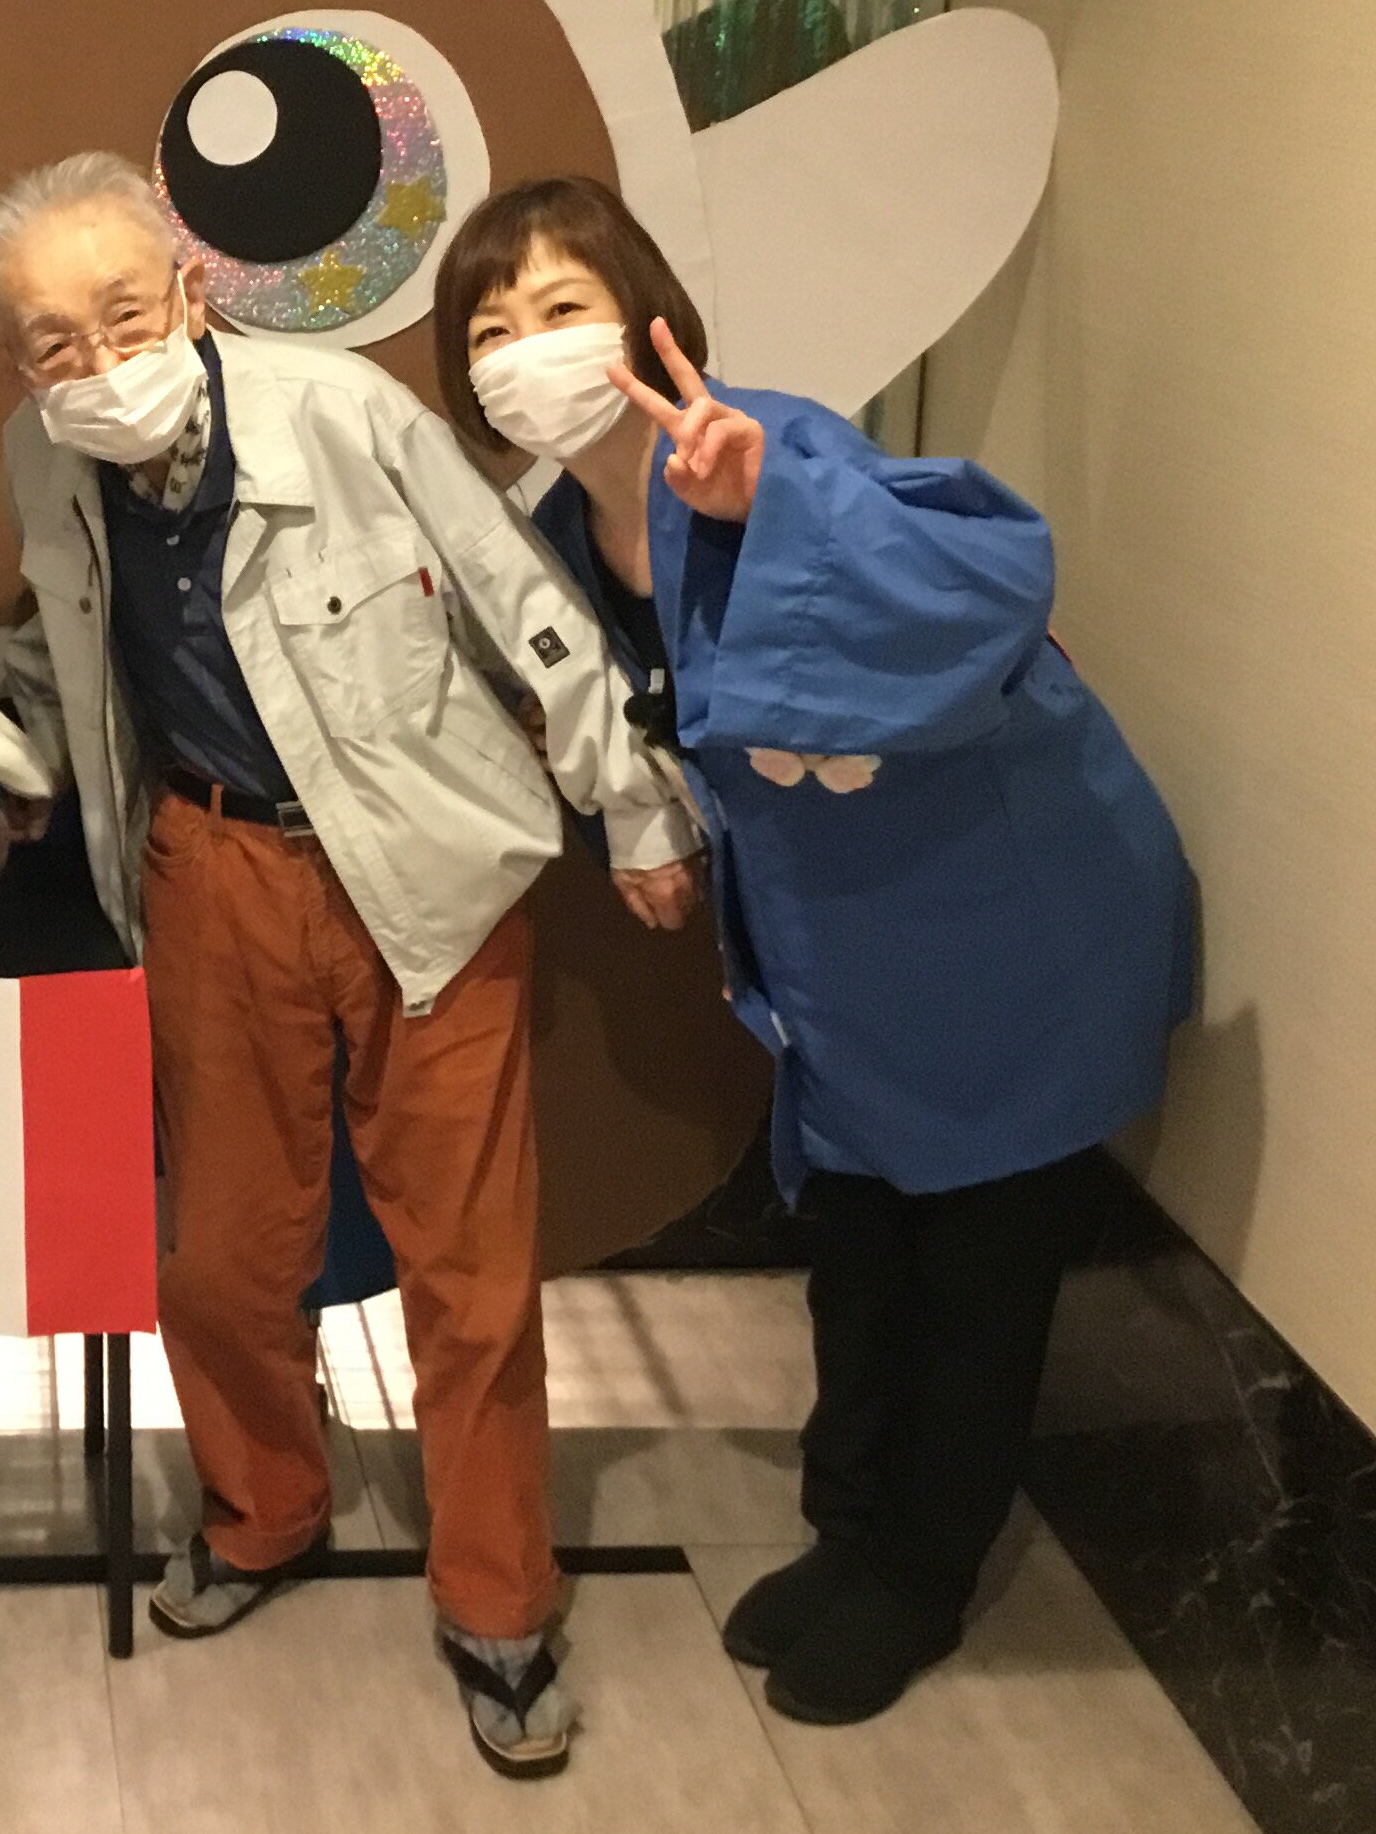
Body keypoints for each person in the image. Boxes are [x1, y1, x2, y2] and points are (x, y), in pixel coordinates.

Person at [0, 154, 703, 1779]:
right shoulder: (41, 456)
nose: (97, 364)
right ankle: (264, 1508)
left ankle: (499, 1601)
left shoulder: (343, 410)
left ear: (191, 291)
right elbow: (64, 647)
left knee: (471, 1269)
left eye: (123, 317)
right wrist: (2, 757)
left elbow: (522, 603)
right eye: (52, 343)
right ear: (16, 366)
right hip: (209, 868)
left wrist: (636, 806)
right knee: (223, 1253)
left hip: (424, 861)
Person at [433, 174, 1191, 1726]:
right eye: (491, 330)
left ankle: (921, 1574)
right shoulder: (561, 537)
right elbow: (635, 725)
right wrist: (643, 832)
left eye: (562, 308)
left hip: (1004, 927)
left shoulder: (769, 448)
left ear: (647, 320)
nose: (525, 351)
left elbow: (989, 586)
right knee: (860, 1256)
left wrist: (772, 507)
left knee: (975, 1275)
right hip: (844, 961)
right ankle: (851, 1531)